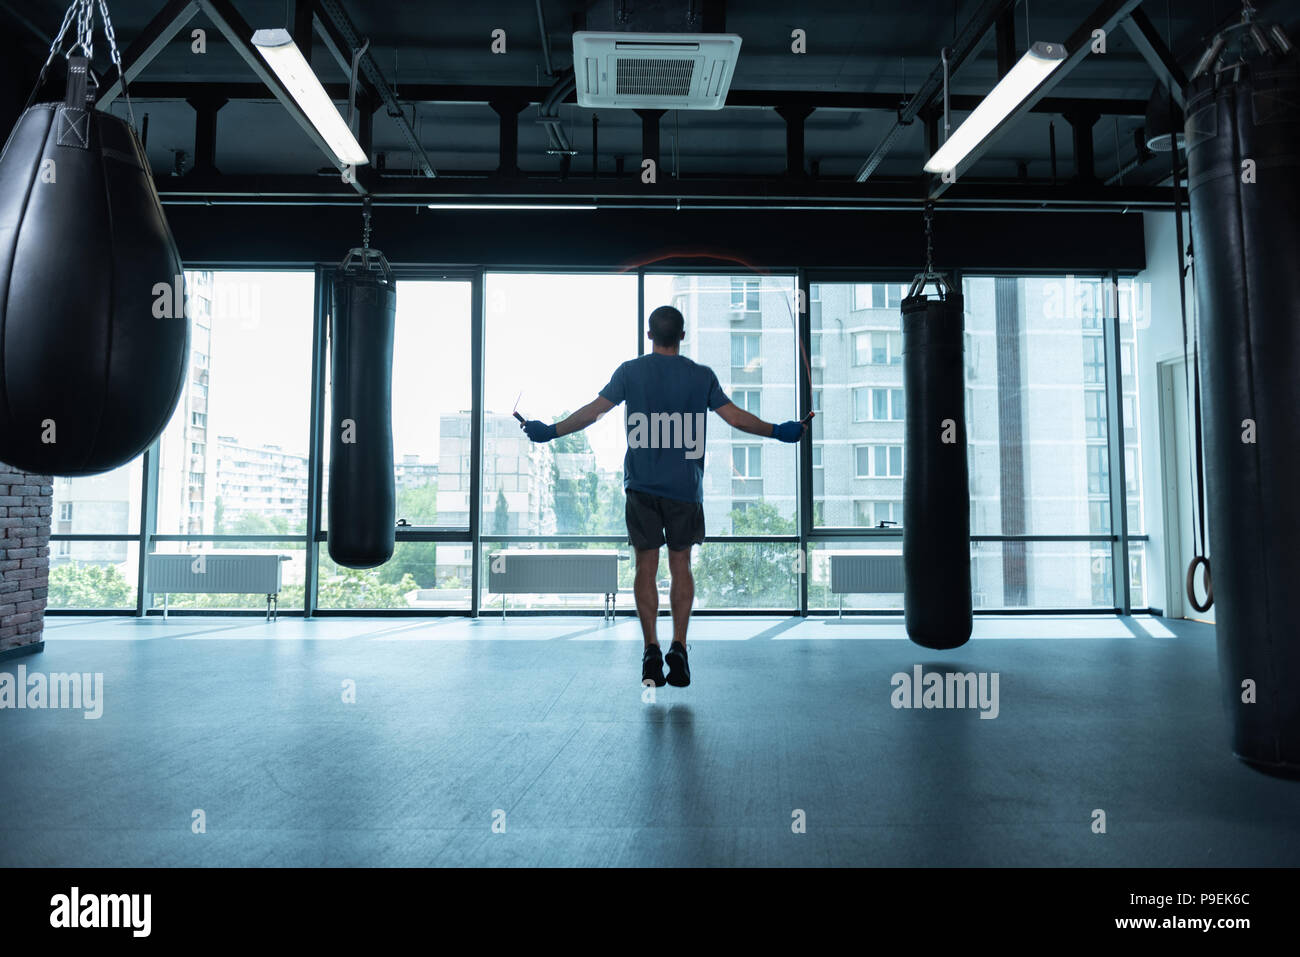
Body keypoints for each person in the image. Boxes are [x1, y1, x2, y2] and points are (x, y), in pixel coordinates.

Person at [519, 304, 806, 688]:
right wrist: (780, 431)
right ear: (682, 336)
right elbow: (736, 418)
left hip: (642, 487)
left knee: (645, 569)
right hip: (685, 489)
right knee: (681, 566)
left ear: (649, 335)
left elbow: (593, 413)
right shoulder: (701, 376)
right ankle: (679, 647)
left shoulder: (630, 372)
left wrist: (550, 432)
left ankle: (651, 648)